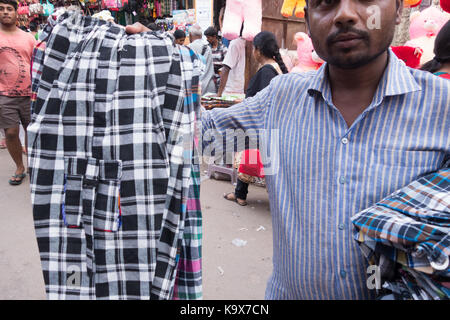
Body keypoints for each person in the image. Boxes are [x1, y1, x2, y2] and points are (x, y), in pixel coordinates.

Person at [128, 0, 450, 300]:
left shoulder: (442, 108)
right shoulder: (281, 98)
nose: (345, 14)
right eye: (326, 1)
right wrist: (155, 68)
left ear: (396, 10)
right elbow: (199, 136)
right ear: (308, 21)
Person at [223, 31, 288, 206]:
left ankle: (241, 195)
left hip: (261, 124)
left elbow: (263, 101)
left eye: (254, 49)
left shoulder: (267, 71)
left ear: (258, 50)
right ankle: (240, 194)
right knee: (248, 155)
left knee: (247, 154)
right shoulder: (275, 68)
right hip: (267, 124)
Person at [0, 0, 36, 185]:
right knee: (11, 133)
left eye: (9, 9)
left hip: (29, 94)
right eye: (1, 9)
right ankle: (19, 167)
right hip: (4, 95)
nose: (5, 12)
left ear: (16, 13)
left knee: (33, 131)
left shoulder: (28, 38)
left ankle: (34, 165)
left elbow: (37, 64)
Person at [216, 26, 246, 96]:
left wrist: (219, 94)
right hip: (239, 91)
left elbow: (226, 68)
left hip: (231, 91)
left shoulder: (235, 43)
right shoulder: (248, 43)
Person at [188, 24, 216, 95]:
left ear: (190, 35)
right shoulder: (208, 48)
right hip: (209, 87)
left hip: (194, 88)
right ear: (201, 35)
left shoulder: (188, 48)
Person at [204, 26, 228, 92]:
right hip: (208, 79)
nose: (207, 39)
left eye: (208, 37)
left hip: (219, 80)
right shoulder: (206, 48)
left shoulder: (223, 49)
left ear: (214, 36)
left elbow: (226, 65)